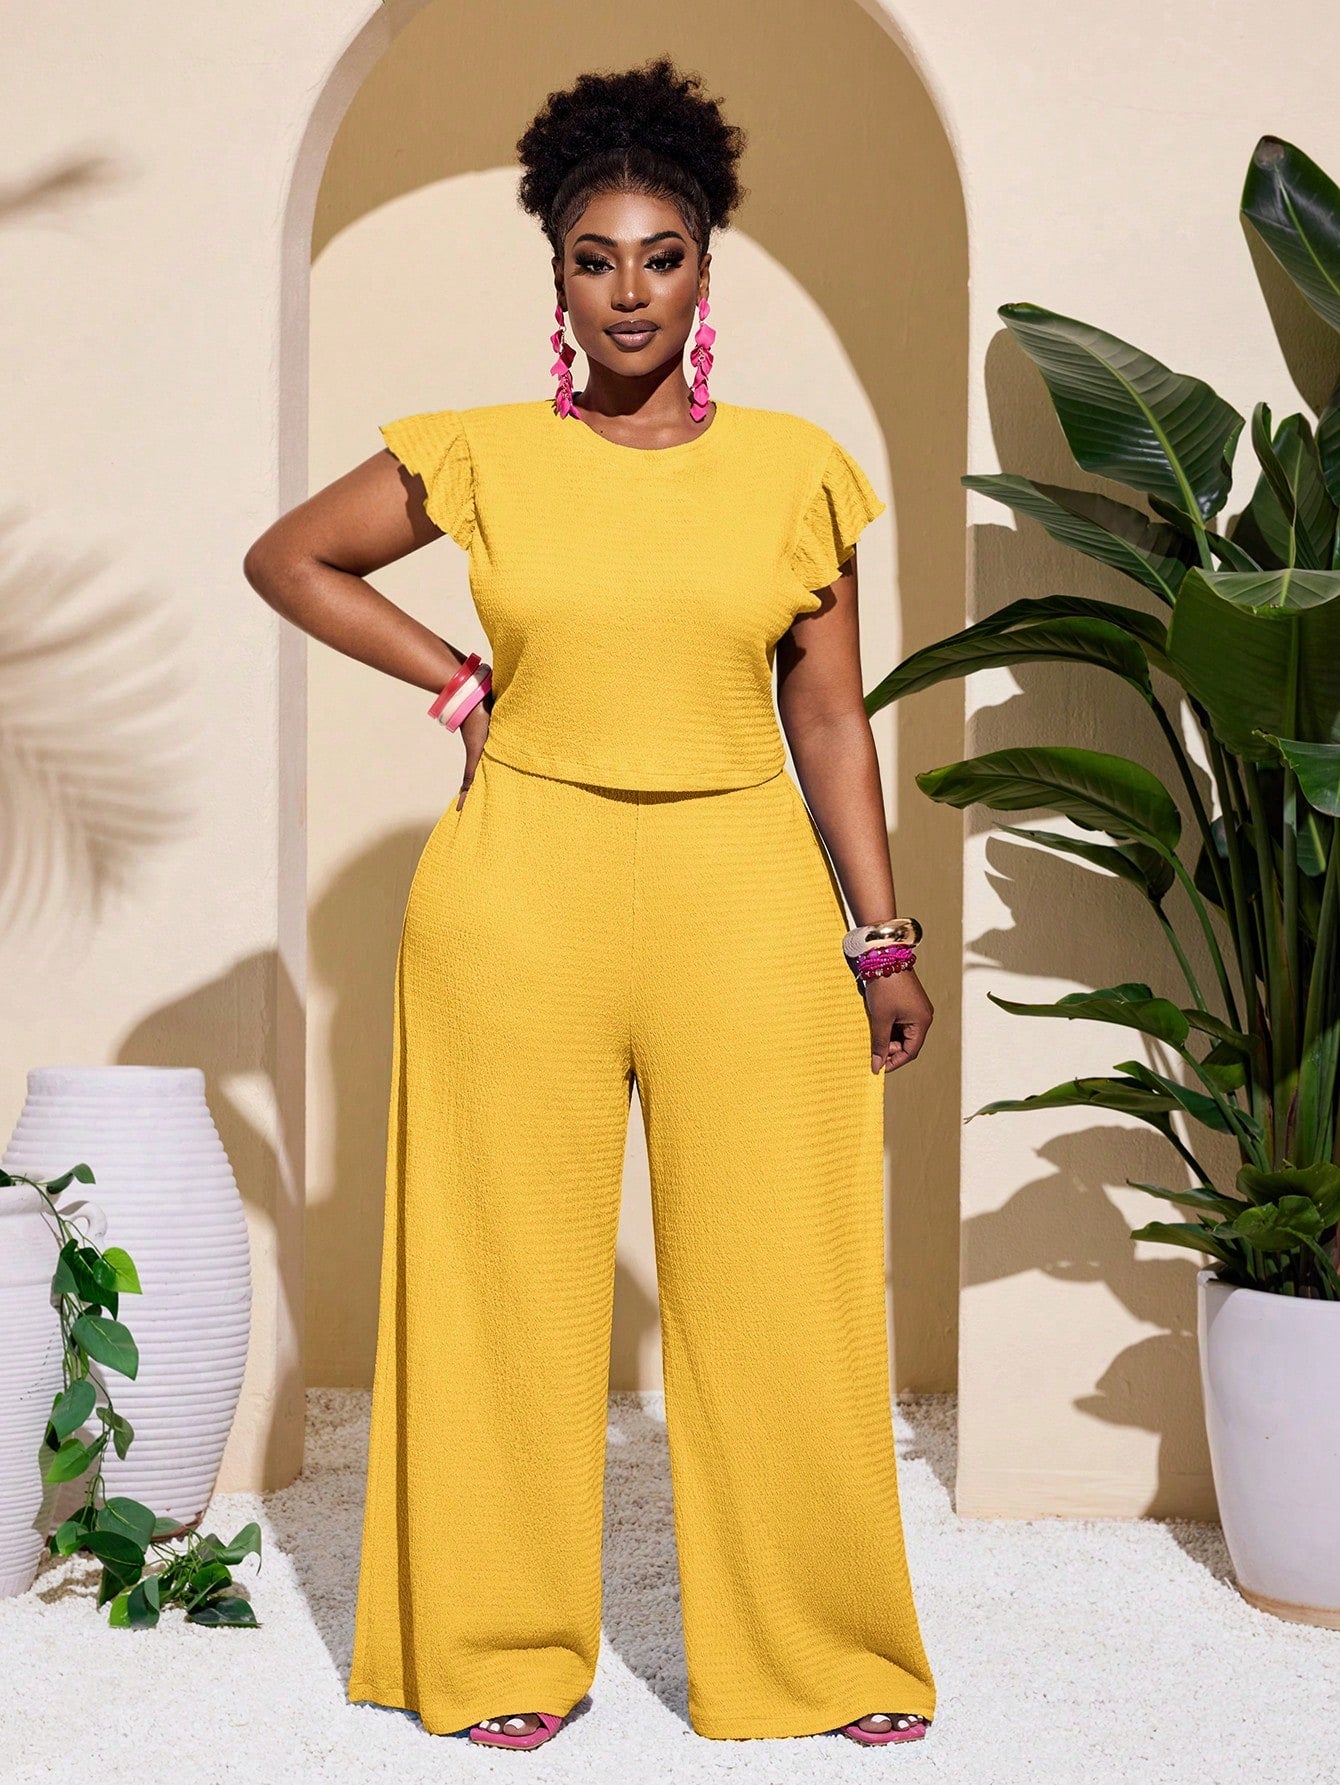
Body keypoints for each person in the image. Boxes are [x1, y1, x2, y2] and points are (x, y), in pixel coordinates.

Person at [244, 53, 937, 1754]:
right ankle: (497, 1650)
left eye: (662, 255)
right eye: (594, 257)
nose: (629, 289)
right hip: (518, 902)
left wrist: (881, 936)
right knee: (503, 1285)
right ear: (555, 273)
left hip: (747, 902)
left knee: (784, 1283)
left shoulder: (795, 470)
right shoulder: (481, 454)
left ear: (706, 269)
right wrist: (455, 674)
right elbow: (290, 556)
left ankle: (822, 1651)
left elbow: (830, 721)